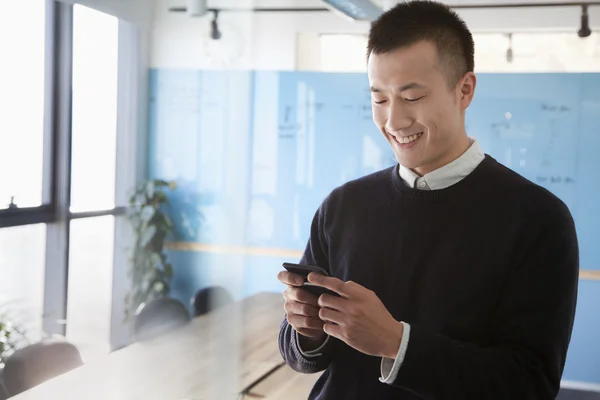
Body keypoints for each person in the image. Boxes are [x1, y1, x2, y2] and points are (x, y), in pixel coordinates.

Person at [277, 1, 579, 399]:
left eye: (412, 97)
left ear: (465, 89)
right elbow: (301, 354)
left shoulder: (538, 219)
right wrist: (307, 330)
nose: (393, 121)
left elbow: (529, 384)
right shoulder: (342, 205)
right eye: (380, 99)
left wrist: (396, 343)